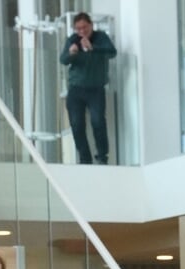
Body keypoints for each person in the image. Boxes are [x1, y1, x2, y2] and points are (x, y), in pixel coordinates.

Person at [60, 12, 117, 165]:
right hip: (76, 89)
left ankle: (102, 156)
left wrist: (93, 48)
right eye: (78, 28)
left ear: (91, 25)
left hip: (95, 89)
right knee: (77, 124)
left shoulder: (101, 37)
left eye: (84, 27)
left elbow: (112, 52)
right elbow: (63, 60)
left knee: (98, 121)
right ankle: (85, 158)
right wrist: (71, 53)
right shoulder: (72, 40)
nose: (82, 31)